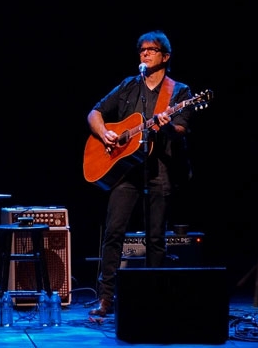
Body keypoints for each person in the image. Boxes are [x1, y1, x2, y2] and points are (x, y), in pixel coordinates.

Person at [86, 30, 193, 316]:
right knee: (114, 232)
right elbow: (94, 112)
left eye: (151, 49)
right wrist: (105, 133)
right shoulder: (128, 86)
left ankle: (153, 296)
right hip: (125, 171)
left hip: (160, 169)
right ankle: (106, 298)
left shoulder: (179, 91)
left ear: (165, 57)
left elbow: (181, 128)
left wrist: (166, 125)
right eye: (141, 50)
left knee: (156, 237)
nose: (144, 53)